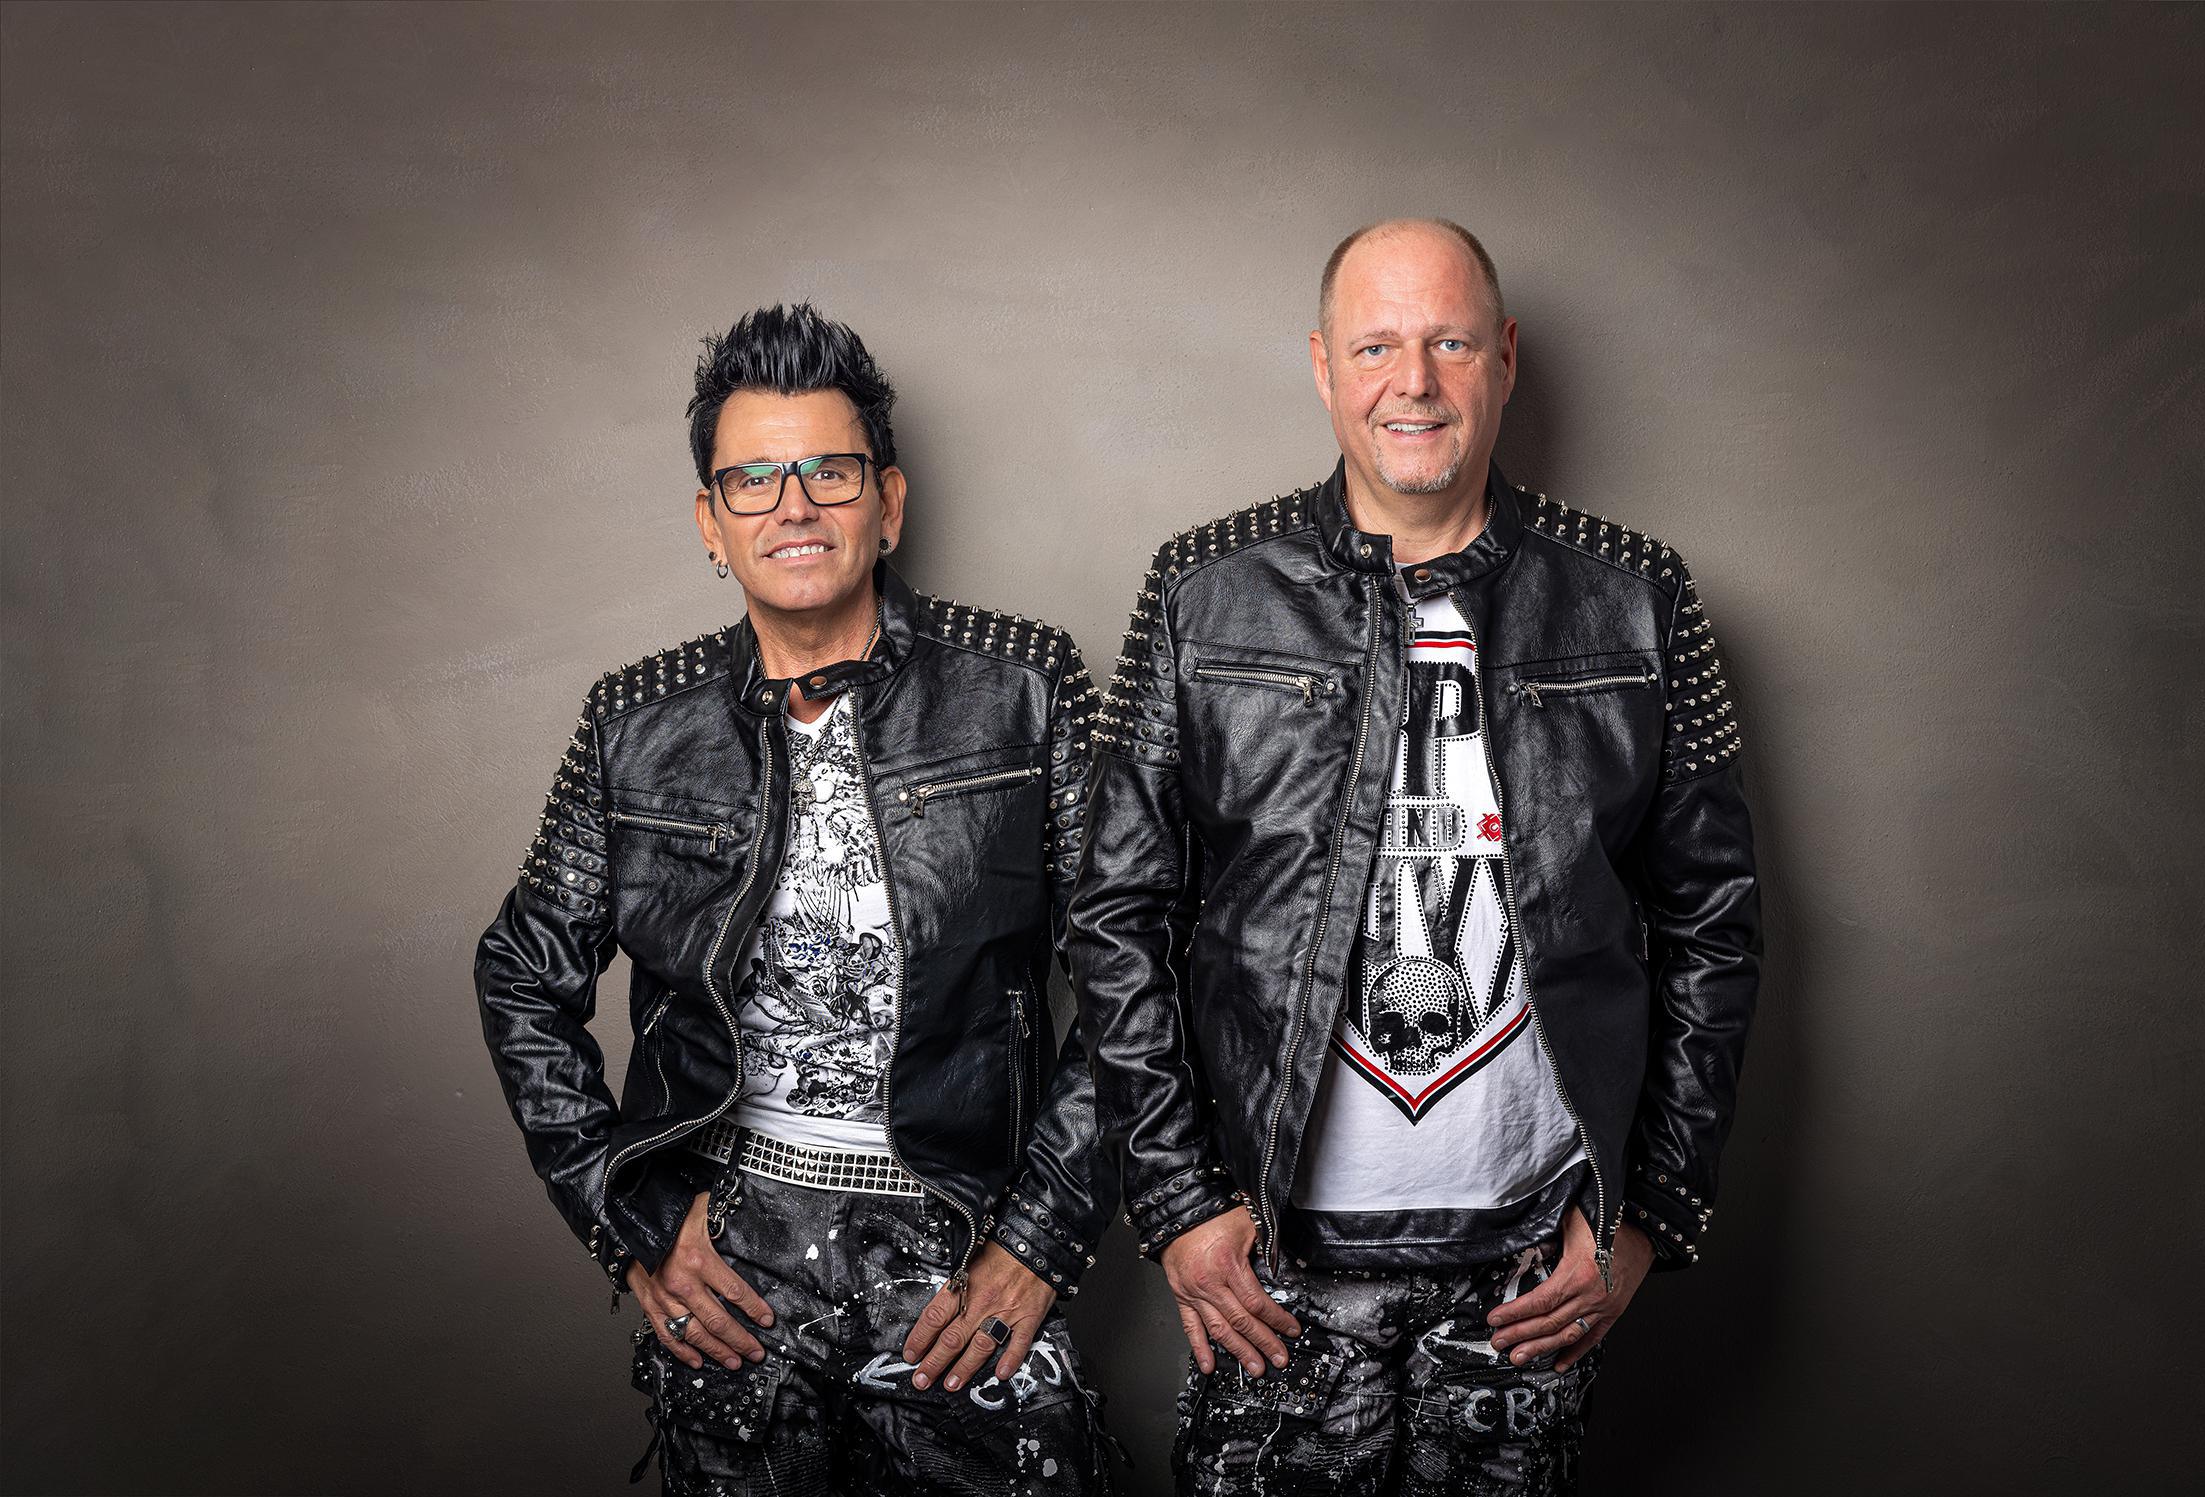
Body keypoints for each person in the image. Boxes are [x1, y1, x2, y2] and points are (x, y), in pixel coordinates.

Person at [1067, 219, 1761, 1494]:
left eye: (1450, 343)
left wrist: (1652, 1212)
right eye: (1378, 346)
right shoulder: (1204, 592)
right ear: (1323, 366)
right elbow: (1117, 916)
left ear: (1505, 357)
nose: (1416, 382)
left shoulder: (1637, 598)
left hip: (1529, 1264)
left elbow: (1713, 925)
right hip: (1274, 1255)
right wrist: (1175, 1204)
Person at [475, 304, 1116, 1494]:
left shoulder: (1025, 689)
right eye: (753, 480)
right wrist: (631, 1223)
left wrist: (1043, 1237)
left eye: (829, 471)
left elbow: (1138, 969)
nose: (794, 506)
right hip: (734, 1251)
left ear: (889, 502)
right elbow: (521, 972)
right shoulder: (636, 728)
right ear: (710, 524)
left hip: (958, 1230)